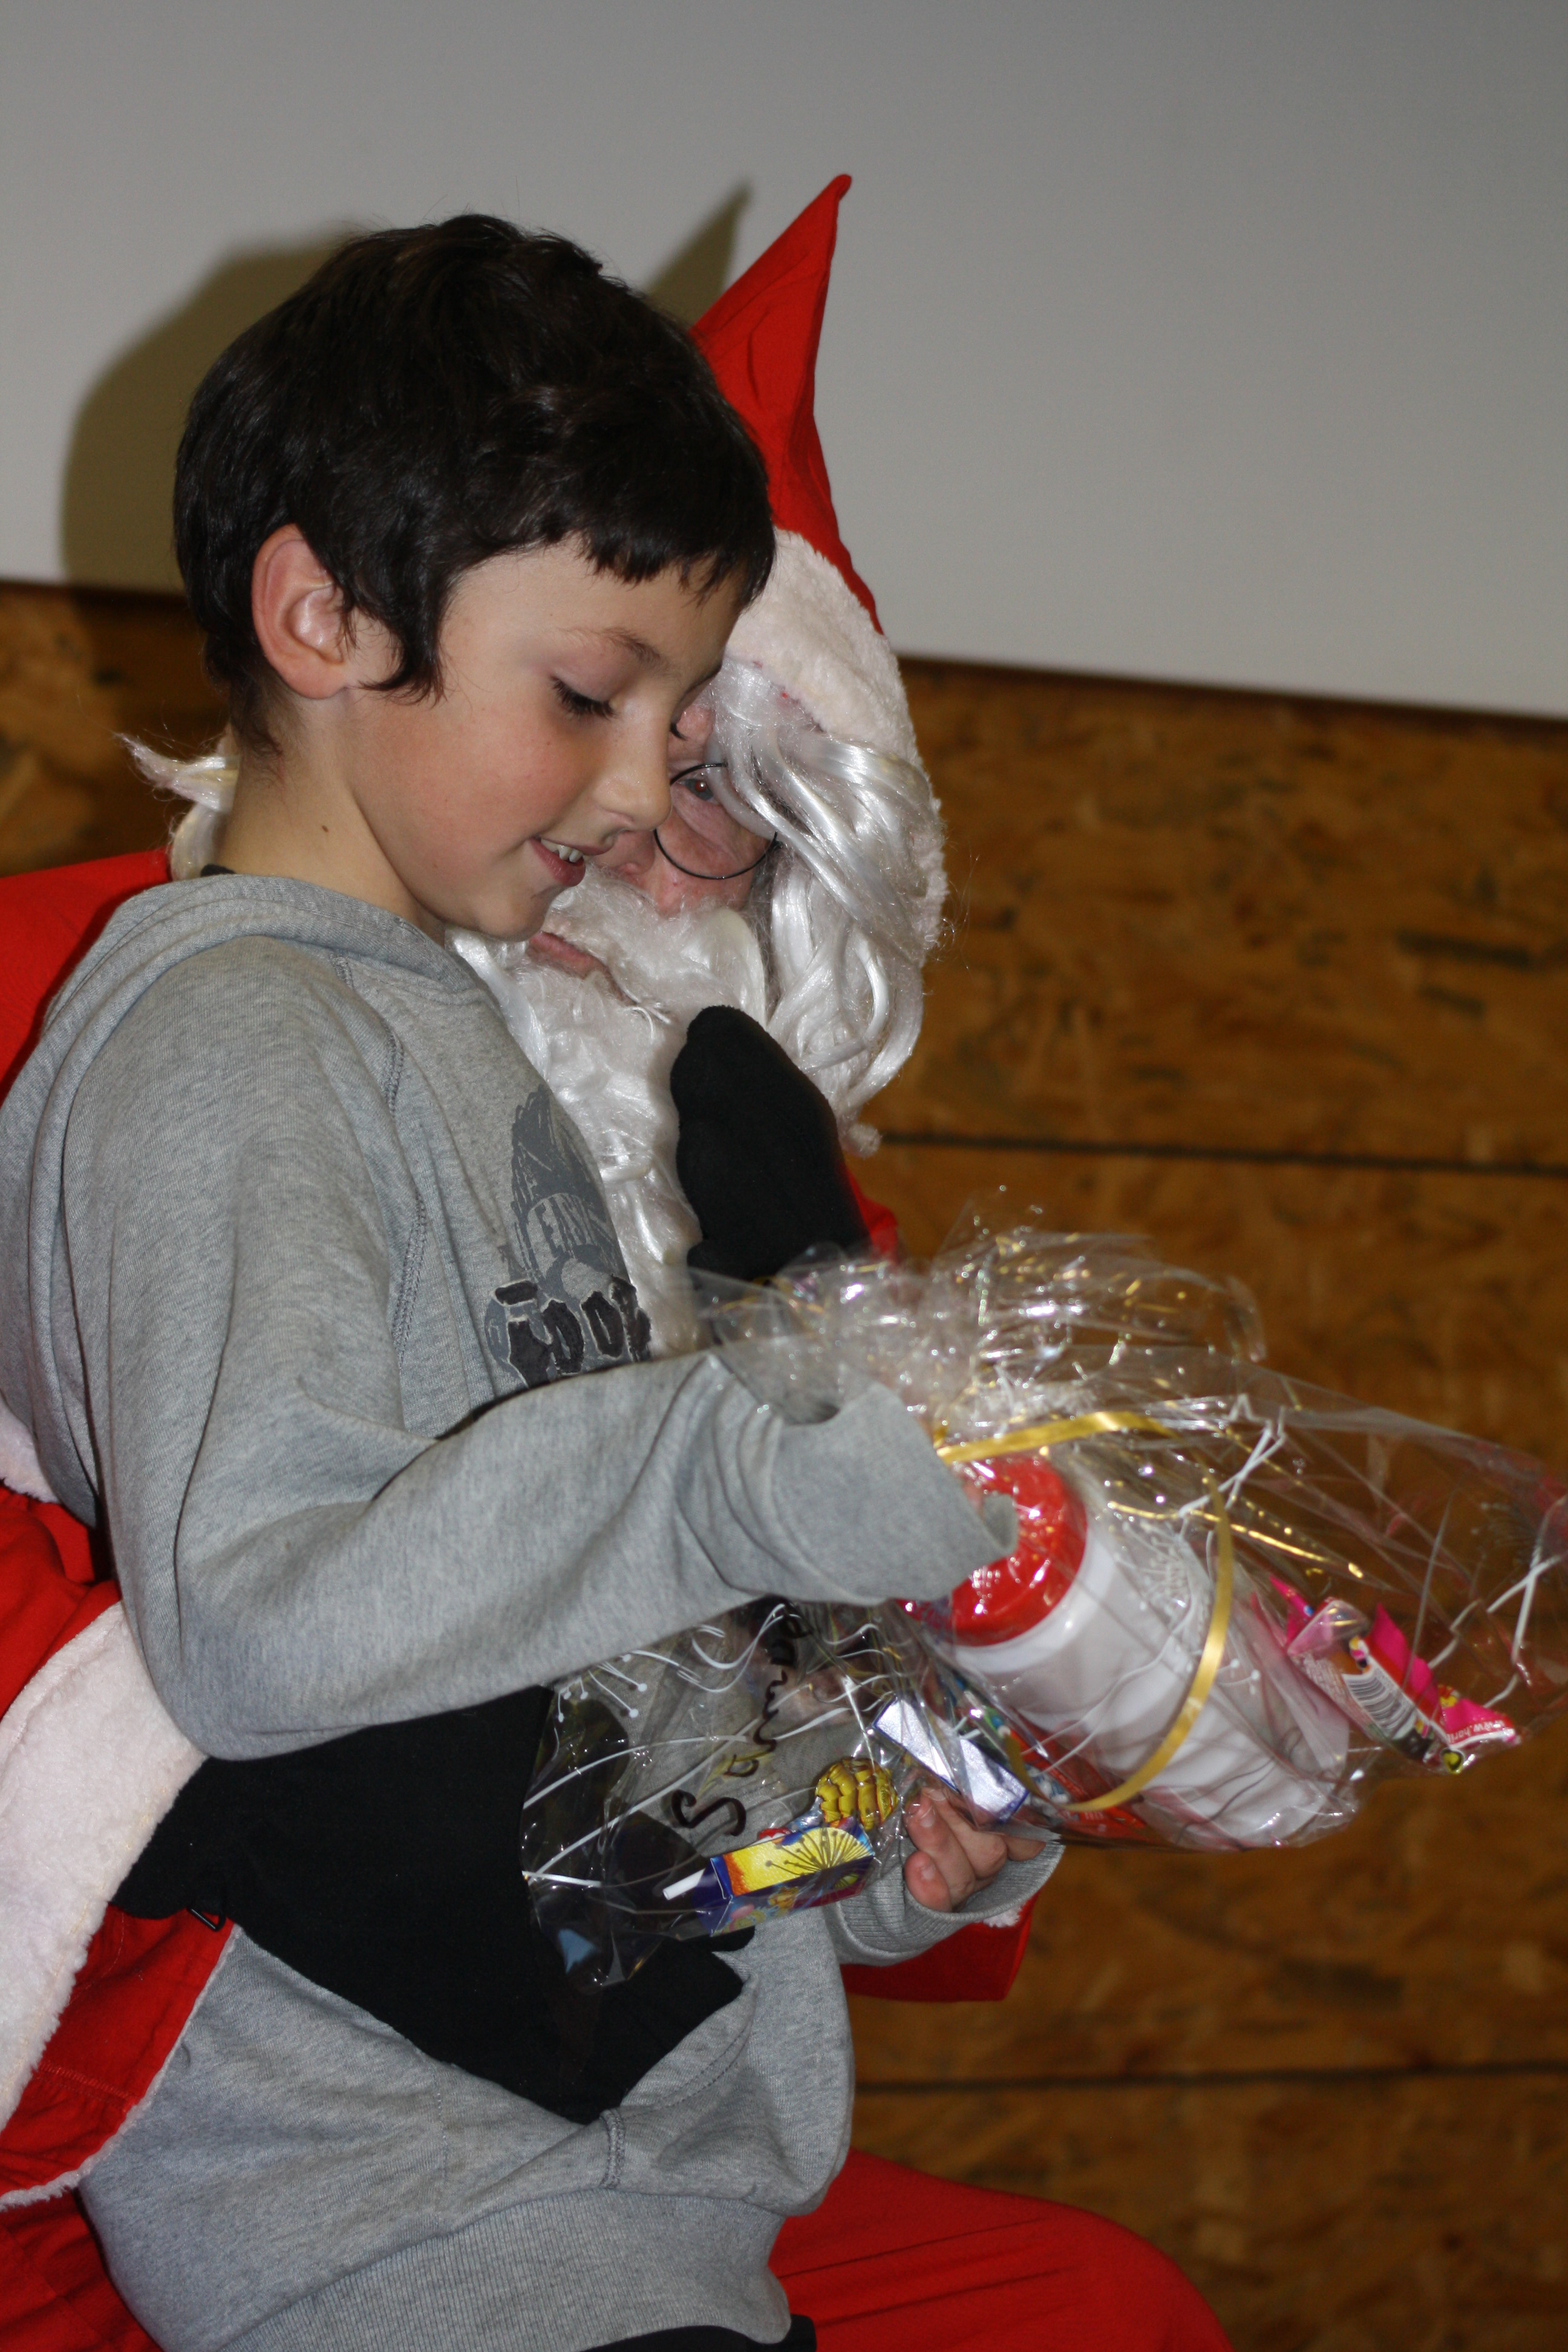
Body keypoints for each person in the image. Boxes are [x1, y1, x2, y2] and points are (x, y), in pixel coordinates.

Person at [0, 207, 1052, 2352]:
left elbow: (544, 1682)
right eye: (591, 693)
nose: (648, 785)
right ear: (320, 614)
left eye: (684, 718)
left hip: (625, 2219)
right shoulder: (234, 1036)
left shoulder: (439, 1036)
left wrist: (864, 1831)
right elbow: (265, 1629)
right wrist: (729, 1465)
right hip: (417, 2235)